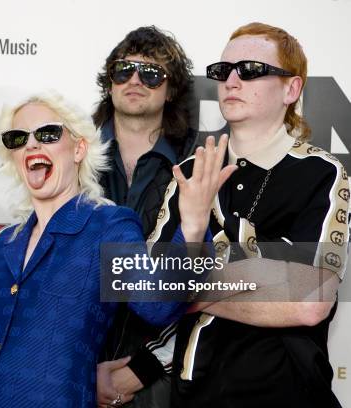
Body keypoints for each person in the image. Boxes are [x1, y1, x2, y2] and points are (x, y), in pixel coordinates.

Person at [0, 92, 235, 407]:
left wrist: (192, 226)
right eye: (19, 138)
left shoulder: (106, 226)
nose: (32, 145)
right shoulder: (8, 243)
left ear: (78, 148)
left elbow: (157, 305)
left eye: (48, 134)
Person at [150, 22, 349, 407]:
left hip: (290, 395)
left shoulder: (323, 173)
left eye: (251, 70)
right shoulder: (190, 172)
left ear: (291, 89)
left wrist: (190, 280)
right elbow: (148, 291)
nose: (232, 81)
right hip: (195, 396)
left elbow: (309, 300)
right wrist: (263, 274)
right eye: (223, 71)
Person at [94, 26, 196, 407]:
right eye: (124, 70)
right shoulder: (72, 159)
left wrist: (142, 369)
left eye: (151, 73)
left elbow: (203, 280)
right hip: (73, 370)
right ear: (110, 82)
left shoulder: (196, 168)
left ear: (170, 91)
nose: (135, 80)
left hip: (157, 379)